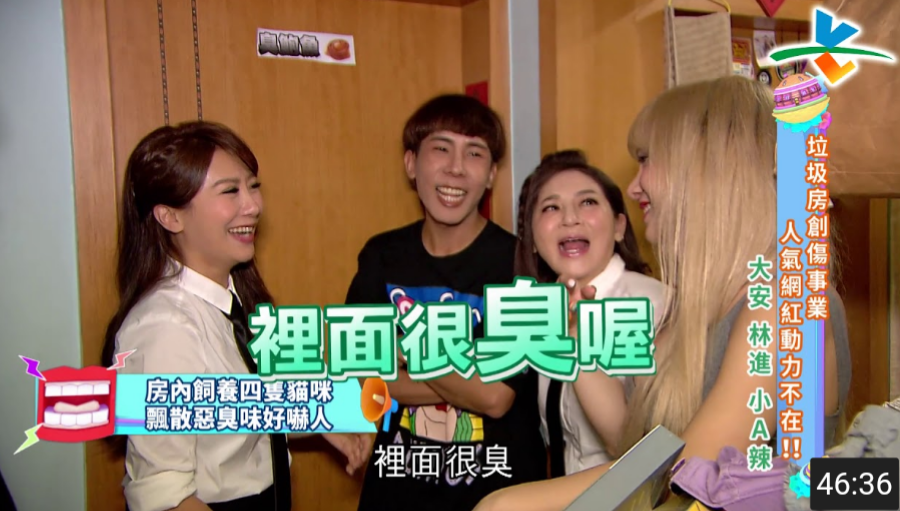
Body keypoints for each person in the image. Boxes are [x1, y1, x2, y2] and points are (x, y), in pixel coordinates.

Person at [473, 76, 852, 511]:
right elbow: (630, 445)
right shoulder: (689, 310)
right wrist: (576, 339)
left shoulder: (789, 301)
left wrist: (506, 504)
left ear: (705, 167)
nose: (634, 188)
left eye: (646, 160)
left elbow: (684, 472)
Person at [101, 121, 372, 511]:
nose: (253, 206)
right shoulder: (166, 327)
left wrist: (321, 419)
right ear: (170, 216)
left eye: (253, 186)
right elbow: (165, 494)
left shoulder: (235, 301)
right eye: (230, 191)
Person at [347, 94, 547, 511]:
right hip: (396, 492)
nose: (456, 167)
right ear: (411, 164)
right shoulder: (382, 255)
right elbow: (362, 378)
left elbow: (495, 397)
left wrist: (407, 351)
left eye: (474, 153)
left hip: (494, 496)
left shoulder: (522, 263)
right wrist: (464, 374)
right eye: (441, 148)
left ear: (491, 175)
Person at [515, 150, 666, 477]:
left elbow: (639, 449)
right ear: (533, 240)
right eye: (551, 207)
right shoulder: (542, 311)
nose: (570, 218)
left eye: (587, 202)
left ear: (619, 226)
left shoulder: (651, 305)